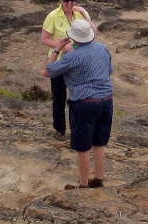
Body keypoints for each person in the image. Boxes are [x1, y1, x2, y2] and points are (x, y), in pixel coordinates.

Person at [44, 19, 113, 190]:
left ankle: (83, 186)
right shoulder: (102, 48)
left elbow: (48, 71)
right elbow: (109, 71)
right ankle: (98, 180)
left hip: (85, 103)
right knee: (99, 143)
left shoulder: (72, 57)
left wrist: (57, 49)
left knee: (83, 146)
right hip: (106, 100)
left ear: (73, 37)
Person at [41, 0, 96, 141]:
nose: (70, 3)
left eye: (72, 0)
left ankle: (75, 128)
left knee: (76, 97)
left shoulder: (79, 13)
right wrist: (61, 46)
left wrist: (85, 15)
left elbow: (93, 32)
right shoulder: (53, 16)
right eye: (66, 0)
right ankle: (59, 130)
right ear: (61, 1)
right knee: (59, 97)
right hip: (59, 61)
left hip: (77, 62)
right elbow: (44, 39)